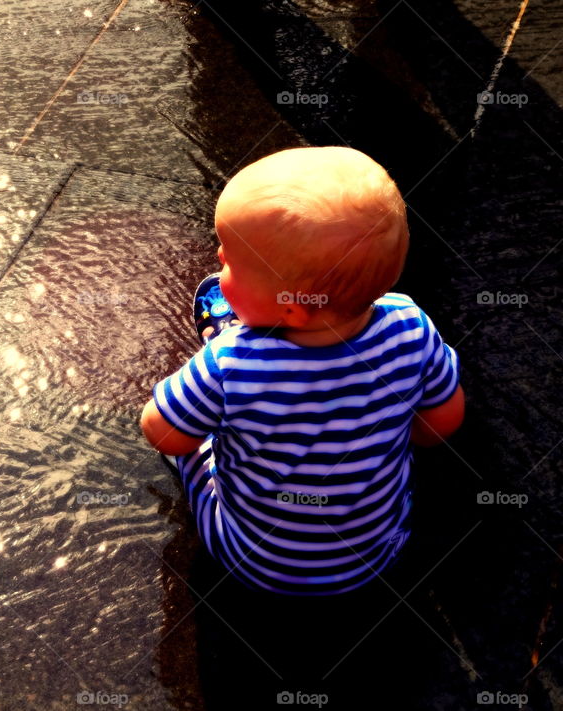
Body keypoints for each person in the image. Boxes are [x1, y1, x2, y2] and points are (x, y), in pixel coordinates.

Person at [141, 146, 465, 596]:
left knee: (190, 448)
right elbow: (441, 423)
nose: (218, 256)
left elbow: (162, 433)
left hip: (255, 562)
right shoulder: (410, 324)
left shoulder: (231, 362)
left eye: (228, 262)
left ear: (292, 310)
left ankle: (233, 339)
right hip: (382, 552)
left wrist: (181, 403)